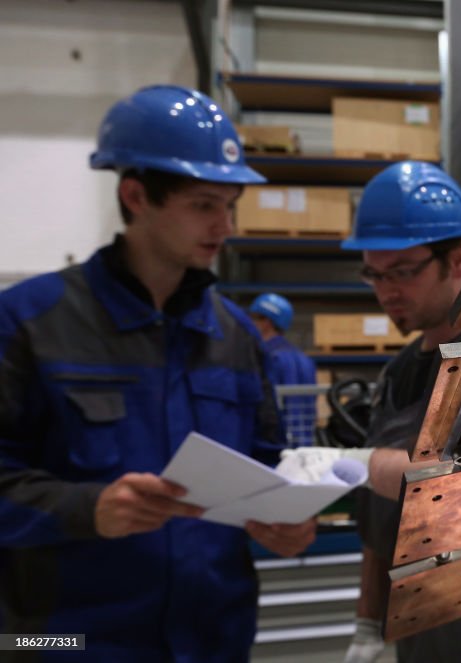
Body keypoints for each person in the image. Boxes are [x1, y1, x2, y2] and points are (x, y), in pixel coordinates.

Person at [0, 85, 316, 662]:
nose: (224, 226)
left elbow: (269, 468)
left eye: (230, 205)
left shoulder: (239, 338)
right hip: (63, 643)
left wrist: (286, 521)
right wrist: (86, 508)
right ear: (136, 195)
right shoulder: (27, 324)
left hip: (215, 641)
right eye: (203, 205)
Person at [338, 161, 461, 663]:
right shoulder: (396, 376)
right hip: (420, 636)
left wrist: (400, 473)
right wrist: (366, 624)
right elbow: (378, 528)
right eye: (375, 274)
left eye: (402, 271)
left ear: (458, 261)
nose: (386, 291)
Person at [248, 292, 318, 446]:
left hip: (275, 444)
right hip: (304, 442)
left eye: (253, 318)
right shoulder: (304, 359)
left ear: (266, 322)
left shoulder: (266, 357)